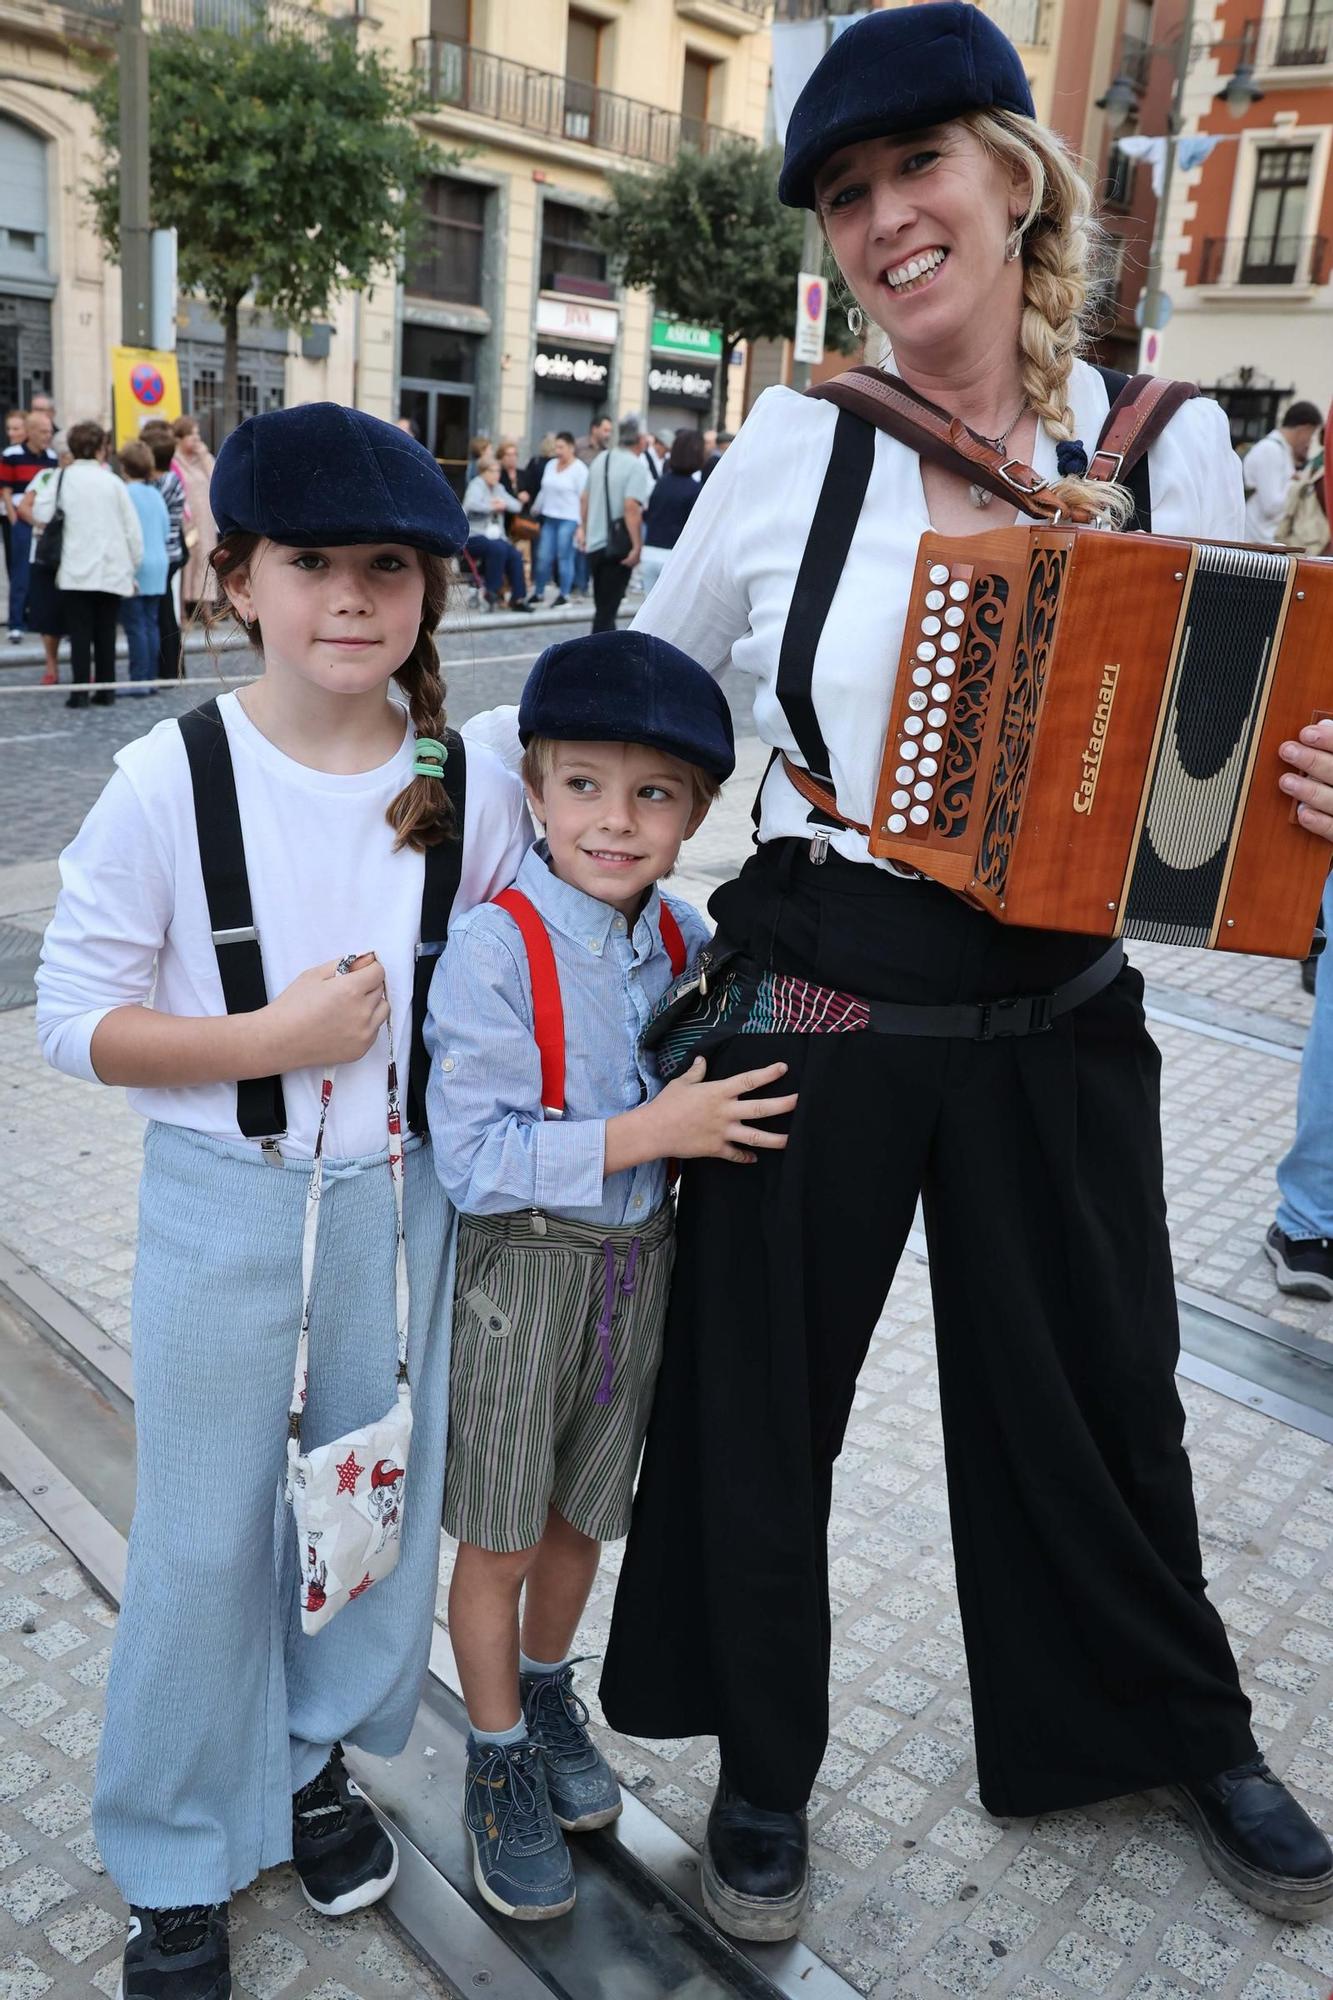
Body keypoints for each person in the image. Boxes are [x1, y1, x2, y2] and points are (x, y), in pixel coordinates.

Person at [594, 1, 1333, 1941]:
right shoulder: (789, 446)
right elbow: (652, 708)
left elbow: (1240, 752)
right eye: (844, 195)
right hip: (822, 994)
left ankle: (1169, 1721)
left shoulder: (1166, 451)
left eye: (914, 166)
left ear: (1016, 174)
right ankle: (760, 1766)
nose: (880, 219)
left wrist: (1310, 782)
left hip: (1065, 1010)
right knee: (755, 1402)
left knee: (1106, 1395)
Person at [35, 402, 530, 2000]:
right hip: (223, 1200)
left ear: (431, 590)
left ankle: (312, 1758)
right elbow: (71, 1013)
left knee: (369, 1512)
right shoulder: (168, 780)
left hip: (403, 1206)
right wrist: (269, 1038)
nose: (351, 598)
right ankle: (177, 1850)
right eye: (310, 563)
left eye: (389, 567)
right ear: (233, 575)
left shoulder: (470, 779)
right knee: (194, 1536)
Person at [427, 630, 797, 1920]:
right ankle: (492, 1757)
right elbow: (472, 1157)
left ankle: (543, 1691)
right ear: (533, 791)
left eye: (652, 795)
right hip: (523, 1275)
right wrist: (652, 1133)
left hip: (639, 1269)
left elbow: (783, 1025)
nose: (615, 820)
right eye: (582, 785)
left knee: (587, 1516)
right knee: (501, 1530)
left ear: (696, 810)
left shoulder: (683, 931)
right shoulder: (494, 944)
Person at [33, 421, 141, 709]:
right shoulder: (113, 482)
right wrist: (133, 564)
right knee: (106, 631)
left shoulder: (62, 479)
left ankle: (79, 691)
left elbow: (41, 510)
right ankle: (106, 690)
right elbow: (132, 530)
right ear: (100, 448)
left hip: (74, 568)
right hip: (111, 568)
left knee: (79, 633)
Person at [579, 414, 653, 634]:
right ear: (640, 439)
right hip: (618, 548)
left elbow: (584, 498)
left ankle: (599, 654)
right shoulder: (636, 467)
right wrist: (637, 545)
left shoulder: (602, 458)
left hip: (595, 543)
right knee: (607, 610)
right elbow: (631, 506)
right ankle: (597, 657)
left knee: (603, 606)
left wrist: (584, 529)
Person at [117, 440, 171, 698]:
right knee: (150, 624)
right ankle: (149, 677)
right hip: (158, 562)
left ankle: (139, 679)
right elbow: (164, 529)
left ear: (124, 467)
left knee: (135, 625)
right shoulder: (155, 494)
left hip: (137, 564)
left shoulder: (125, 492)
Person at [2, 405, 57, 642]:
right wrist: (15, 520)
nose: (48, 436)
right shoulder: (11, 455)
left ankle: (40, 618)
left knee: (45, 573)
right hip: (22, 521)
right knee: (20, 573)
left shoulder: (52, 458)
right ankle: (16, 622)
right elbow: (5, 490)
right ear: (31, 432)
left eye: (49, 431)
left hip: (44, 522)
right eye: (44, 431)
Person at [141, 424, 187, 681]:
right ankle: (171, 665)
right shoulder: (168, 479)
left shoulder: (163, 482)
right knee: (165, 611)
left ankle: (169, 667)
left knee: (165, 613)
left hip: (165, 553)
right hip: (168, 552)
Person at [17, 452, 66, 686]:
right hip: (45, 555)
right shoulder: (45, 476)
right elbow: (24, 507)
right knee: (47, 612)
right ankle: (51, 665)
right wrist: (42, 526)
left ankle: (82, 666)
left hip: (73, 556)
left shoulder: (88, 476)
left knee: (76, 614)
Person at [1244, 400, 1323, 543]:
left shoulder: (1280, 451)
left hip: (1263, 545)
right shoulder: (1270, 451)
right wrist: (1296, 484)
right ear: (1304, 429)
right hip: (1256, 546)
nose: (1310, 443)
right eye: (1311, 435)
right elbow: (1271, 506)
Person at [462, 453, 533, 612]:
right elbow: (470, 505)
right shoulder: (476, 485)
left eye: (498, 471)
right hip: (475, 536)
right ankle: (491, 591)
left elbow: (516, 506)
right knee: (498, 548)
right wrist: (492, 506)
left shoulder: (499, 488)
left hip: (496, 537)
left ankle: (518, 598)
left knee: (514, 554)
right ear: (483, 471)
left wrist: (502, 503)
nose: (496, 475)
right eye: (492, 471)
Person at [639, 428, 704, 597]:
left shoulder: (661, 483)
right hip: (675, 558)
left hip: (650, 553)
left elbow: (649, 513)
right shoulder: (695, 489)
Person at [532, 432, 588, 605]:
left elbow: (584, 499)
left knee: (565, 556)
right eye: (556, 446)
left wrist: (581, 527)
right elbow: (544, 489)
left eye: (561, 447)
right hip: (550, 517)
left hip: (569, 518)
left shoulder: (580, 469)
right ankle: (539, 592)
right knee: (543, 557)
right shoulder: (550, 465)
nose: (557, 450)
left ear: (571, 448)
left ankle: (564, 594)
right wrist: (536, 508)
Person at [172, 413, 219, 618]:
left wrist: (203, 455)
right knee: (188, 564)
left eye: (197, 434)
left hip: (205, 521)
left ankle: (207, 611)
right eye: (192, 435)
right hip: (186, 521)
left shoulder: (204, 458)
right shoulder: (175, 461)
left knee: (206, 562)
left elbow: (217, 478)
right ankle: (182, 611)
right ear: (180, 439)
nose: (196, 439)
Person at [1, 407, 25, 602]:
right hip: (11, 515)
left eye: (16, 429)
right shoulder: (9, 453)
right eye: (9, 429)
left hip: (25, 514)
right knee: (13, 560)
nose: (11, 433)